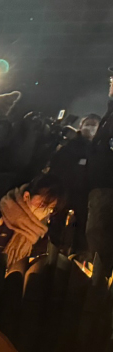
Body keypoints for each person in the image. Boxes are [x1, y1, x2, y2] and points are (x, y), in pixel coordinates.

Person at [0, 173, 63, 269]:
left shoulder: (40, 230)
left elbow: (36, 263)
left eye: (51, 208)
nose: (45, 211)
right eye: (42, 205)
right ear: (26, 196)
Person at [48, 113, 100, 252]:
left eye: (94, 125)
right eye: (87, 124)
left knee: (82, 226)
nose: (90, 128)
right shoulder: (69, 145)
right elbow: (56, 165)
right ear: (81, 126)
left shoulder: (98, 150)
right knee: (56, 222)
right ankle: (50, 251)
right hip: (65, 190)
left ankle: (77, 255)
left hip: (84, 194)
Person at [87, 67, 113, 269]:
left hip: (107, 186)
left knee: (100, 233)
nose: (111, 85)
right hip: (100, 183)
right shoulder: (110, 114)